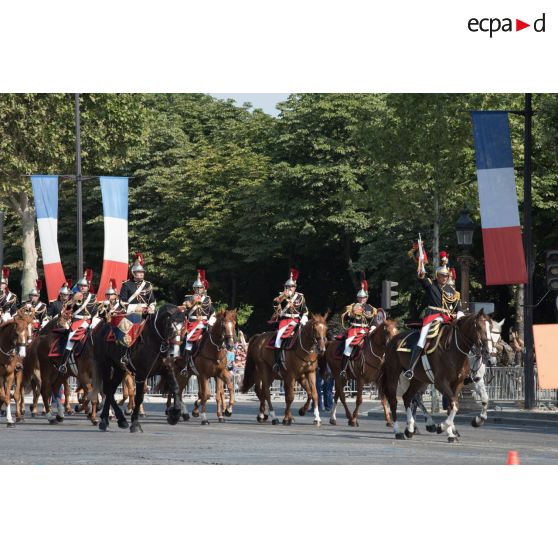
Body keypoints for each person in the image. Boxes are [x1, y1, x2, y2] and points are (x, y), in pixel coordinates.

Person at [405, 262, 464, 380]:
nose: (445, 278)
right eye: (442, 276)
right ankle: (411, 368)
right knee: (422, 340)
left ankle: (466, 370)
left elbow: (458, 307)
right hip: (433, 317)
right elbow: (421, 278)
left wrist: (460, 314)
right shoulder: (431, 284)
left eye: (446, 276)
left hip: (448, 318)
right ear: (437, 276)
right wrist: (421, 269)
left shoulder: (452, 291)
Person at [58, 269, 98, 374]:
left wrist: (93, 319)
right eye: (80, 285)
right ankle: (63, 364)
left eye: (84, 286)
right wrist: (73, 301)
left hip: (90, 320)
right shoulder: (72, 296)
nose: (82, 287)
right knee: (70, 340)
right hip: (77, 321)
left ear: (88, 287)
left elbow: (95, 310)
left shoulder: (93, 297)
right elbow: (66, 311)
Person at [271, 268, 309, 375]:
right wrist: (283, 296)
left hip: (298, 320)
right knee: (278, 339)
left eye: (292, 286)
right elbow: (275, 306)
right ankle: (277, 363)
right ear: (285, 287)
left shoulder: (300, 297)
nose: (290, 288)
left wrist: (304, 318)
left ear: (295, 287)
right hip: (285, 321)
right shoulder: (281, 297)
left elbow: (305, 310)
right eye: (288, 286)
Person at [339, 278, 377, 378]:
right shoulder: (352, 306)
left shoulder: (371, 308)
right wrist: (351, 314)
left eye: (363, 297)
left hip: (367, 330)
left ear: (366, 298)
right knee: (348, 347)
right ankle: (343, 369)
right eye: (360, 298)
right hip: (354, 330)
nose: (362, 299)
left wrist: (373, 327)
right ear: (357, 298)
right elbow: (345, 317)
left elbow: (374, 320)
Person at [181, 269, 216, 371]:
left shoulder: (207, 299)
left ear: (203, 289)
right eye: (196, 288)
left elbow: (213, 312)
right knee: (188, 342)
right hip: (193, 324)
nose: (198, 290)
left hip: (205, 323)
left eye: (200, 288)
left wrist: (211, 321)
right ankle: (185, 365)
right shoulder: (188, 297)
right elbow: (184, 308)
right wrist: (191, 302)